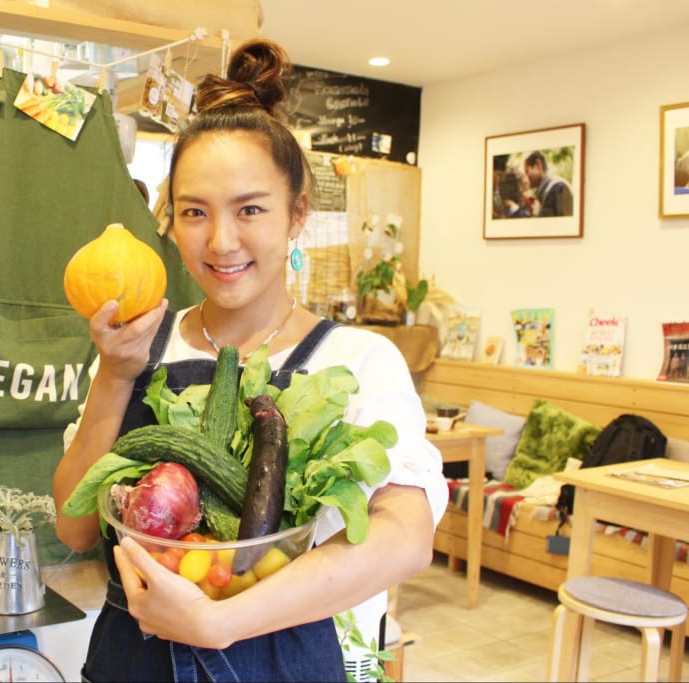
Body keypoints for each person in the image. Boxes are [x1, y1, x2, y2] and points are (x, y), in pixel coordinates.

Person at [53, 38, 448, 682]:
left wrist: (223, 620)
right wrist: (116, 374)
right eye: (195, 213)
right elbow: (74, 529)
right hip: (130, 663)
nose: (222, 240)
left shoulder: (359, 359)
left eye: (250, 210)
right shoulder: (138, 346)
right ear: (171, 223)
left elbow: (405, 536)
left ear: (297, 215)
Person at [523, 150, 574, 216]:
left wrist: (538, 213)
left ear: (538, 165)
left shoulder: (557, 187)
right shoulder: (546, 189)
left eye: (527, 171)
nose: (526, 177)